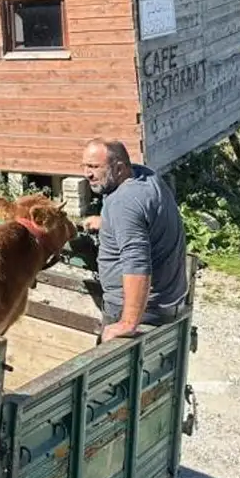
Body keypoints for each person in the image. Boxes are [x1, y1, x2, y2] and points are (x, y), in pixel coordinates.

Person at [80, 139, 189, 343]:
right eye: (84, 166)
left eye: (94, 167)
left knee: (107, 362)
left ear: (119, 168)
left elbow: (137, 265)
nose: (87, 174)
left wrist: (128, 323)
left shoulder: (125, 202)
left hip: (142, 310)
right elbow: (144, 218)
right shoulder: (145, 177)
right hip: (167, 300)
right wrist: (107, 223)